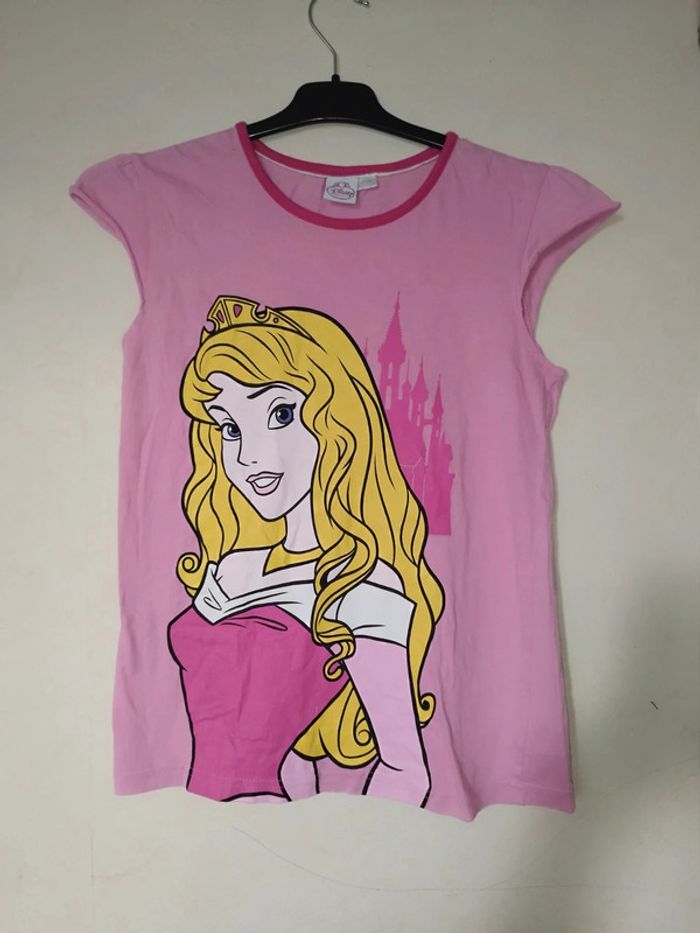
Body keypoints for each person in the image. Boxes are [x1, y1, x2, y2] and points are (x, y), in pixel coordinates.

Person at [167, 295, 445, 808]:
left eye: (280, 413)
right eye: (230, 428)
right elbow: (279, 741)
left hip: (261, 831)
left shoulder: (360, 584)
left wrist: (336, 842)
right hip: (198, 823)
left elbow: (406, 768)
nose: (250, 456)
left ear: (335, 418)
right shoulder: (231, 568)